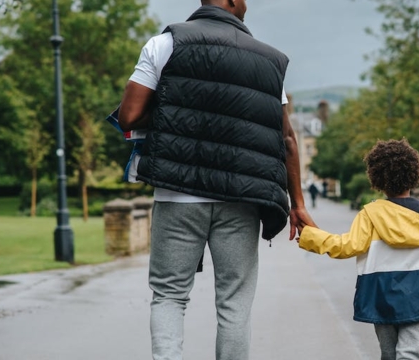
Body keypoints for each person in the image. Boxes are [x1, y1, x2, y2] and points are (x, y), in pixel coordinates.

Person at [117, 1, 315, 359]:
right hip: (241, 200)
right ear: (233, 1)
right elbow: (286, 138)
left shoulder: (165, 44)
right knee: (234, 304)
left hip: (177, 196)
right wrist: (298, 204)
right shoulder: (269, 62)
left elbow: (130, 115)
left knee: (169, 296)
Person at [297, 139, 419, 360]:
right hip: (418, 293)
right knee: (410, 353)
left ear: (377, 178)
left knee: (388, 353)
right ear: (414, 174)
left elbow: (346, 247)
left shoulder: (370, 214)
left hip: (379, 294)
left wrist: (311, 235)